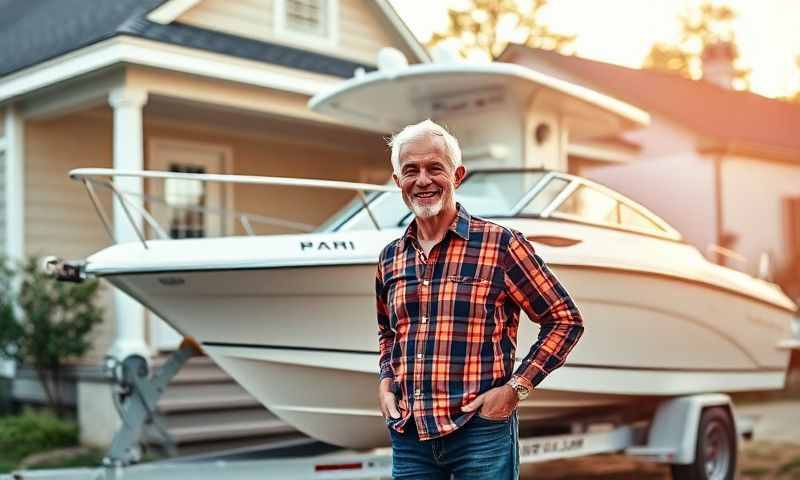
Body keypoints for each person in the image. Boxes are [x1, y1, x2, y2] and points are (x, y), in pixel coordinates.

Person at [375, 119, 585, 479]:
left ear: (457, 175)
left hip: (481, 431)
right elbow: (389, 334)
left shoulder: (502, 245)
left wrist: (516, 388)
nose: (422, 180)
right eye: (411, 171)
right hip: (410, 432)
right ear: (398, 182)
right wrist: (385, 382)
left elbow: (564, 320)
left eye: (434, 168)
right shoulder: (390, 257)